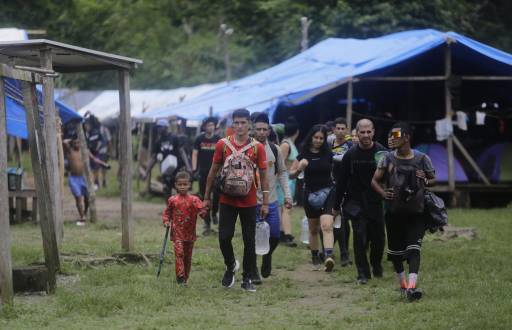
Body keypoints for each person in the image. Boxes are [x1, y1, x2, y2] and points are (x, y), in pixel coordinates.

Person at [203, 109, 269, 292]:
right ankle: (231, 265)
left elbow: (264, 177)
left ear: (249, 124)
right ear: (232, 124)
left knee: (249, 240)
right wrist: (206, 198)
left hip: (249, 201)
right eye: (236, 123)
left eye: (243, 123)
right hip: (226, 199)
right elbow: (212, 172)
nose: (239, 127)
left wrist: (265, 202)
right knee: (224, 237)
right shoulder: (222, 145)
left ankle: (247, 277)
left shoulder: (258, 148)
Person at [371, 122, 436, 301]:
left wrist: (426, 180)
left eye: (396, 135)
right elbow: (374, 181)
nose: (392, 138)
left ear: (407, 137)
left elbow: (433, 180)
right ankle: (403, 285)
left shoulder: (422, 158)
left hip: (417, 212)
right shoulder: (387, 159)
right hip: (393, 212)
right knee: (396, 253)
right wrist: (384, 193)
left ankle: (411, 288)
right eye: (391, 135)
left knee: (414, 249)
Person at [333, 119, 387, 284]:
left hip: (376, 202)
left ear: (373, 132)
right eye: (362, 132)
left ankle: (376, 265)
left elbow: (390, 176)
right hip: (355, 202)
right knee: (359, 237)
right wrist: (336, 206)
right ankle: (362, 273)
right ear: (356, 133)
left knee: (378, 239)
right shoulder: (350, 154)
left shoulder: (382, 153)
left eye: (368, 132)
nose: (365, 135)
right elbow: (341, 182)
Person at [289, 124, 336, 272]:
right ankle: (315, 256)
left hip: (328, 192)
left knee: (327, 225)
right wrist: (299, 168)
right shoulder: (303, 155)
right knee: (313, 229)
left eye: (321, 138)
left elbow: (337, 172)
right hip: (309, 194)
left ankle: (328, 256)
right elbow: (290, 175)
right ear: (311, 137)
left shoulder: (329, 154)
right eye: (316, 137)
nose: (318, 140)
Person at [252, 113, 292, 284]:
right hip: (251, 202)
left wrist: (288, 195)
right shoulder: (247, 149)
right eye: (258, 129)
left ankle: (267, 257)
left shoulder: (275, 149)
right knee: (252, 238)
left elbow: (282, 172)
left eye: (264, 129)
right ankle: (253, 271)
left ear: (269, 131)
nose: (261, 132)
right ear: (253, 130)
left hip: (272, 200)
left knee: (275, 235)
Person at [162, 171, 206, 286]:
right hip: (177, 233)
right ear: (175, 185)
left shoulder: (194, 200)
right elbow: (167, 213)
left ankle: (186, 277)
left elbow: (202, 212)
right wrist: (166, 221)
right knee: (179, 254)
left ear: (189, 185)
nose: (182, 187)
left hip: (190, 234)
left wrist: (204, 210)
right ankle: (180, 277)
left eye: (185, 184)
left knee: (187, 257)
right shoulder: (173, 200)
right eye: (180, 184)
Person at [330, 117, 353, 267]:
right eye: (337, 128)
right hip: (330, 186)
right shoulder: (327, 143)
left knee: (344, 220)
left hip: (346, 186)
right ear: (333, 130)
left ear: (346, 130)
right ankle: (329, 250)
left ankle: (344, 253)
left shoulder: (351, 145)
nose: (340, 131)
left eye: (342, 128)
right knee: (331, 219)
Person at [192, 117, 221, 235]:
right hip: (203, 173)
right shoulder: (199, 139)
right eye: (208, 125)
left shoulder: (218, 139)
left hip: (216, 173)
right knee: (205, 197)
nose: (211, 127)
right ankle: (207, 222)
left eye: (212, 125)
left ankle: (214, 213)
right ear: (204, 127)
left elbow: (223, 155)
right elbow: (194, 154)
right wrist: (194, 169)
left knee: (217, 196)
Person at [143, 119, 184, 198]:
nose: (158, 129)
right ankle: (169, 209)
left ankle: (180, 208)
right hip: (165, 170)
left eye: (160, 127)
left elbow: (182, 152)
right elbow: (154, 158)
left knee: (180, 189)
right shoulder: (158, 141)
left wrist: (188, 166)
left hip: (177, 169)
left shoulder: (174, 138)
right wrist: (146, 172)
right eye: (158, 127)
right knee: (166, 190)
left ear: (166, 127)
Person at [277, 116, 300, 247]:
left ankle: (281, 233)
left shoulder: (288, 143)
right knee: (286, 207)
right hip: (284, 180)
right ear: (297, 131)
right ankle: (287, 235)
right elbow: (280, 164)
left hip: (290, 179)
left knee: (284, 208)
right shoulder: (286, 144)